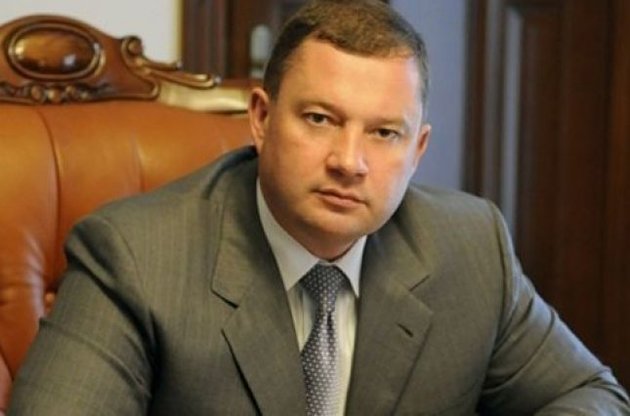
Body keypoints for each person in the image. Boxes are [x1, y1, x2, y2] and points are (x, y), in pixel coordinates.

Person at [8, 0, 630, 414]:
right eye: (320, 119)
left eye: (383, 133)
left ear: (417, 150)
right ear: (261, 119)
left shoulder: (470, 247)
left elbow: (590, 395)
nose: (349, 161)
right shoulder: (136, 259)